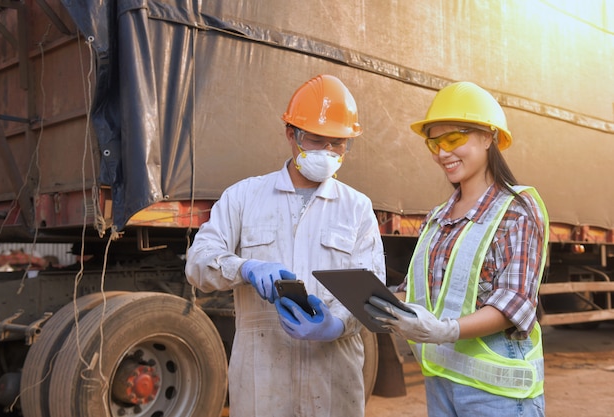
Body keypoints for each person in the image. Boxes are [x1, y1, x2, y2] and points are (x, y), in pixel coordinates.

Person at [185, 74, 386, 417]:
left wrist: (337, 323)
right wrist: (245, 268)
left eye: (338, 143)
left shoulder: (357, 207)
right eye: (317, 139)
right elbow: (198, 263)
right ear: (290, 134)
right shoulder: (244, 197)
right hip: (263, 385)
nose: (327, 152)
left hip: (332, 384)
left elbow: (373, 293)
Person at [366, 81, 549, 417]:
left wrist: (445, 330)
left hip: (498, 397)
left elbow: (515, 303)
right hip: (441, 383)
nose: (442, 153)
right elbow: (416, 291)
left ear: (488, 136)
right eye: (433, 143)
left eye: (453, 139)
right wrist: (375, 304)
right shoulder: (437, 218)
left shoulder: (516, 210)